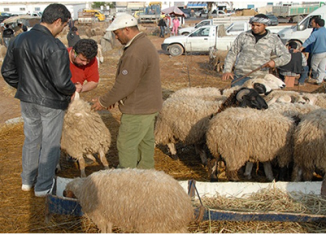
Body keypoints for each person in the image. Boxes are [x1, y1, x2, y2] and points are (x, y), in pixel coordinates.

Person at [1, 3, 79, 197]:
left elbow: (7, 72)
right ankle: (43, 186)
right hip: (51, 102)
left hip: (27, 100)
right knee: (50, 143)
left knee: (31, 139)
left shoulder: (18, 40)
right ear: (58, 21)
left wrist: (23, 86)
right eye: (64, 25)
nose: (63, 30)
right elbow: (62, 82)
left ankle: (27, 180)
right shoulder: (55, 46)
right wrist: (72, 90)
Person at [91, 14, 163, 169]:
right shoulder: (144, 44)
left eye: (117, 33)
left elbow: (125, 85)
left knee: (126, 144)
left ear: (126, 29)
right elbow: (133, 81)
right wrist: (115, 99)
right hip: (149, 105)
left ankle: (128, 179)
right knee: (145, 142)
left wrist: (104, 101)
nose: (116, 38)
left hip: (138, 108)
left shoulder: (135, 52)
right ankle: (146, 174)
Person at [222, 14, 291, 87]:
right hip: (241, 77)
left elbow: (286, 56)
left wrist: (274, 62)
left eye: (258, 25)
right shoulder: (244, 36)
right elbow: (232, 53)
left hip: (260, 78)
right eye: (253, 25)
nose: (255, 27)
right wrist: (227, 70)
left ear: (265, 25)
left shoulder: (273, 39)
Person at [300, 17, 326, 85]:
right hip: (325, 52)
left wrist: (302, 47)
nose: (312, 24)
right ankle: (319, 80)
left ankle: (323, 76)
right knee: (322, 67)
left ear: (317, 24)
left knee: (314, 66)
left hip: (317, 52)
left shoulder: (316, 33)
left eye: (313, 23)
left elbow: (309, 41)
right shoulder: (325, 31)